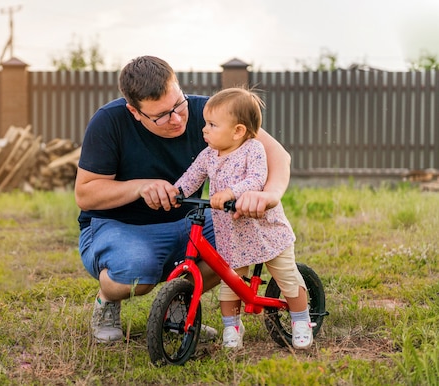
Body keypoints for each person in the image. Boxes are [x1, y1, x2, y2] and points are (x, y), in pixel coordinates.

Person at [74, 56, 292, 343]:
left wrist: (269, 195)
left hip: (188, 221)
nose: (176, 119)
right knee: (137, 272)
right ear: (134, 111)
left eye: (178, 104)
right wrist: (141, 187)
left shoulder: (210, 112)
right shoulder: (109, 121)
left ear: (177, 86)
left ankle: (178, 306)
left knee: (242, 239)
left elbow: (278, 155)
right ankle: (106, 300)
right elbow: (85, 193)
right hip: (120, 226)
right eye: (161, 115)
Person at [174, 87, 314, 350]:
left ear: (238, 131)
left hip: (264, 229)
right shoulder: (208, 155)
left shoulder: (254, 150)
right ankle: (232, 328)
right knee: (231, 283)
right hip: (232, 234)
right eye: (205, 123)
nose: (204, 129)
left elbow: (256, 179)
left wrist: (231, 192)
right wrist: (177, 191)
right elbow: (192, 177)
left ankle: (301, 320)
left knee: (286, 276)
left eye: (212, 125)